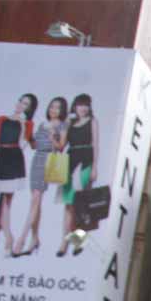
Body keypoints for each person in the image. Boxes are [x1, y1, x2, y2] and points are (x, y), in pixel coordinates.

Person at [15, 95, 68, 257]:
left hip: (49, 160)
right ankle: (35, 239)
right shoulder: (42, 124)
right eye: (52, 106)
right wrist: (29, 137)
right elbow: (34, 145)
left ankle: (21, 240)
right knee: (36, 202)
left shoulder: (63, 126)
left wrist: (53, 136)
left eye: (57, 107)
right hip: (37, 159)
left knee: (35, 201)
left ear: (62, 110)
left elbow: (60, 147)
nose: (53, 110)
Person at [0, 93, 37, 258]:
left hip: (15, 158)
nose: (21, 105)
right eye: (21, 101)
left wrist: (22, 126)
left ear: (29, 109)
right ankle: (5, 235)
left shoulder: (28, 123)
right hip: (0, 157)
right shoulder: (1, 119)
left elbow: (22, 145)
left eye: (26, 104)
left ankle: (3, 237)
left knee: (7, 199)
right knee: (3, 200)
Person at [58, 93, 98, 257]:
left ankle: (78, 242)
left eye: (86, 105)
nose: (83, 108)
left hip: (86, 161)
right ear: (75, 106)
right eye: (80, 105)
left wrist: (95, 167)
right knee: (68, 204)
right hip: (70, 160)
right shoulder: (69, 122)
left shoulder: (93, 122)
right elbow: (61, 144)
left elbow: (96, 145)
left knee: (81, 204)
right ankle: (64, 241)